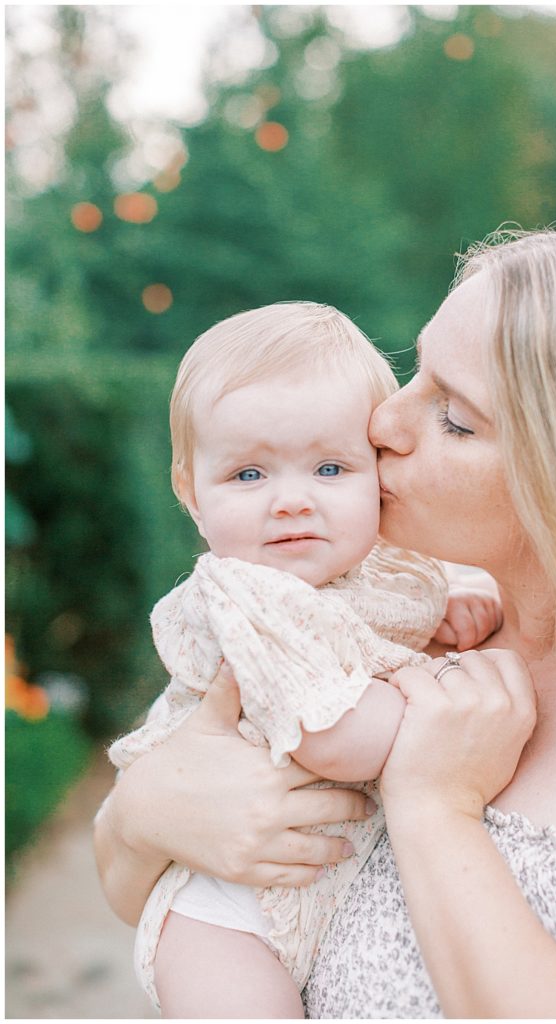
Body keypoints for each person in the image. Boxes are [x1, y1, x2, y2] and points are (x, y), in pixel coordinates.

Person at [95, 226, 556, 1019]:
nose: (381, 425)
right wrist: (137, 818)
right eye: (416, 376)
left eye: (455, 417)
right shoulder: (427, 618)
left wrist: (434, 805)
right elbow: (151, 889)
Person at [105, 300, 503, 1017]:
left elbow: (384, 615)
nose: (291, 502)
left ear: (376, 475)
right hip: (224, 916)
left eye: (328, 468)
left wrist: (443, 607)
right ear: (190, 491)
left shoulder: (379, 571)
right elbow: (339, 736)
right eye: (250, 476)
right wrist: (446, 683)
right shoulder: (248, 595)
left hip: (313, 887)